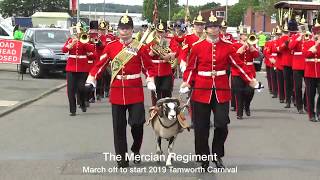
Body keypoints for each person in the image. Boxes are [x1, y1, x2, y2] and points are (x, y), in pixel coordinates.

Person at [179, 12, 263, 170]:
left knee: (222, 124)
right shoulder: (197, 47)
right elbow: (191, 68)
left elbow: (238, 65)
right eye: (210, 27)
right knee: (201, 127)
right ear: (206, 28)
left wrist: (251, 80)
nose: (213, 29)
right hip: (201, 90)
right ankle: (203, 158)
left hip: (221, 90)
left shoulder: (228, 46)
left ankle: (217, 155)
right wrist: (187, 82)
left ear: (219, 28)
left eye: (215, 27)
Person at [86, 12, 156, 167]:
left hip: (135, 90)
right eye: (122, 28)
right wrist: (91, 79)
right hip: (117, 90)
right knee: (118, 127)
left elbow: (149, 67)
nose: (125, 31)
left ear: (132, 30)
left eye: (128, 28)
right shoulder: (111, 47)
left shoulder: (140, 47)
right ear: (118, 30)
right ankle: (121, 158)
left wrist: (150, 79)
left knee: (137, 123)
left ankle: (136, 149)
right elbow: (100, 64)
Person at [62, 22, 97, 116]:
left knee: (81, 88)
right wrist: (71, 44)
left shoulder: (85, 40)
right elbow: (64, 50)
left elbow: (93, 53)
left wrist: (86, 43)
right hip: (71, 68)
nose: (78, 33)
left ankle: (82, 103)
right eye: (77, 31)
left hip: (82, 68)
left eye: (80, 31)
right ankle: (72, 110)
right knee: (71, 90)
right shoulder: (70, 40)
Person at [147, 21, 178, 105]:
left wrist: (170, 55)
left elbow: (176, 51)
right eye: (158, 32)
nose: (160, 34)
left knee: (166, 90)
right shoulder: (151, 41)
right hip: (154, 69)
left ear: (166, 32)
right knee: (155, 92)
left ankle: (166, 108)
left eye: (162, 32)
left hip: (166, 69)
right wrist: (150, 53)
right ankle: (156, 109)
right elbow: (145, 55)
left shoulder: (170, 40)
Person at [232, 27, 259, 119]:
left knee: (250, 91)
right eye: (244, 35)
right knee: (238, 92)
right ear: (240, 36)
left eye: (247, 35)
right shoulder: (235, 44)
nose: (245, 37)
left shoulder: (252, 44)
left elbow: (256, 55)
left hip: (250, 70)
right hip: (238, 71)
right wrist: (243, 46)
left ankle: (247, 105)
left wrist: (251, 46)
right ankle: (239, 113)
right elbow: (235, 56)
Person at [302, 20, 320, 122]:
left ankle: (319, 112)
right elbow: (306, 55)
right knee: (310, 94)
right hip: (310, 72)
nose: (318, 35)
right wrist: (316, 45)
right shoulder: (307, 43)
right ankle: (311, 114)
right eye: (316, 33)